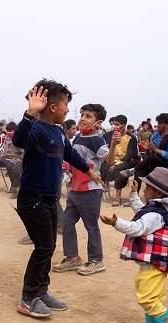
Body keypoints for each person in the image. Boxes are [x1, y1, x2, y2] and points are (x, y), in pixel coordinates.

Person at [12, 79, 103, 318]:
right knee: (43, 247)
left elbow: (70, 153)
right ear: (53, 107)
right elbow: (19, 140)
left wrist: (88, 170)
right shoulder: (35, 128)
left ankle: (41, 292)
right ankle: (28, 298)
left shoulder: (58, 131)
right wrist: (30, 113)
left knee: (49, 246)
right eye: (66, 105)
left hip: (50, 199)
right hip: (33, 199)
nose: (67, 110)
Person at [100, 167, 168, 323]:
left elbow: (137, 227)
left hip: (153, 265)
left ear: (158, 193)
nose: (144, 191)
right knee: (154, 296)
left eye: (147, 189)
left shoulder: (155, 215)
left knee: (147, 297)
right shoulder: (157, 210)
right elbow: (141, 210)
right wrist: (133, 195)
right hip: (156, 264)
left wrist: (116, 223)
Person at [52, 103, 118, 276]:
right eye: (83, 114)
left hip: (90, 190)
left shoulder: (97, 140)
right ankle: (72, 257)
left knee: (91, 226)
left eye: (88, 116)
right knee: (67, 222)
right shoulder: (77, 138)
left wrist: (113, 146)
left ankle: (97, 260)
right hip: (75, 190)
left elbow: (108, 161)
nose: (83, 118)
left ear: (98, 123)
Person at [120, 113, 168, 194]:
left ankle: (132, 170)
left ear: (167, 125)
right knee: (139, 172)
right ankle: (134, 196)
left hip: (165, 165)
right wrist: (148, 149)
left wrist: (155, 149)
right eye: (158, 123)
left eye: (160, 123)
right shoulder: (155, 135)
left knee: (152, 157)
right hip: (153, 163)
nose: (158, 125)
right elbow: (150, 153)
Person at [100, 115, 139, 206]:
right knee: (102, 167)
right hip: (111, 160)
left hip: (126, 161)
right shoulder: (109, 136)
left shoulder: (131, 138)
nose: (114, 127)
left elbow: (130, 155)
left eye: (117, 125)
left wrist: (116, 164)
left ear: (123, 125)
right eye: (114, 124)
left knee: (119, 169)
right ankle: (100, 191)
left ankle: (118, 197)